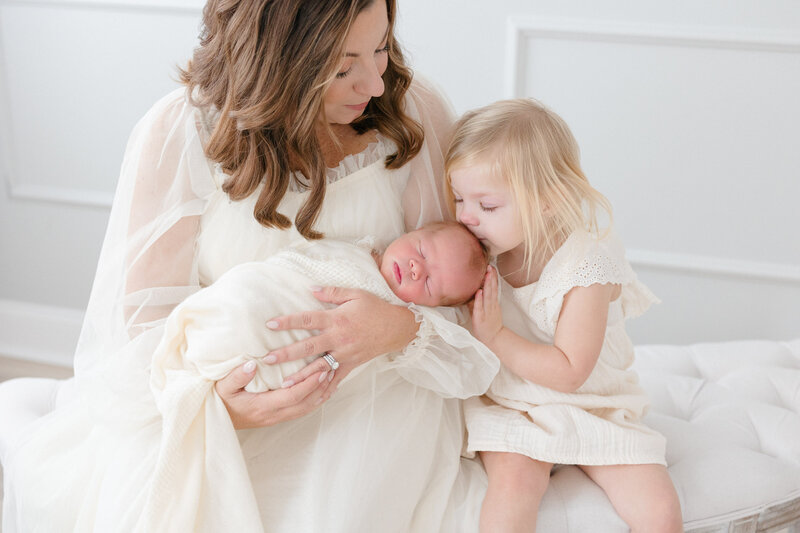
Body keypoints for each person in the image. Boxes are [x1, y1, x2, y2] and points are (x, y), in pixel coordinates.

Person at [0, 1, 498, 532]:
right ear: (274, 59)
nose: (374, 84)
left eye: (380, 49)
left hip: (384, 398)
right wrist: (223, 409)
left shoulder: (412, 114)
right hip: (236, 404)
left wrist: (398, 327)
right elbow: (139, 336)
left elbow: (465, 292)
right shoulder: (180, 131)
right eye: (341, 66)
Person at [141, 221, 493, 531]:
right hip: (261, 295)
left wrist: (396, 325)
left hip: (315, 381)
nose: (417, 268)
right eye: (421, 250)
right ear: (412, 232)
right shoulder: (354, 252)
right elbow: (295, 264)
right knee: (247, 304)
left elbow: (466, 362)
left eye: (429, 283)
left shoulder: (399, 312)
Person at [445, 98, 684, 532]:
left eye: (487, 205)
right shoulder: (481, 251)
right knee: (513, 485)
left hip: (594, 404)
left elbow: (572, 370)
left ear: (548, 201)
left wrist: (495, 336)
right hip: (514, 401)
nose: (465, 216)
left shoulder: (585, 265)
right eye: (459, 198)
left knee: (658, 508)